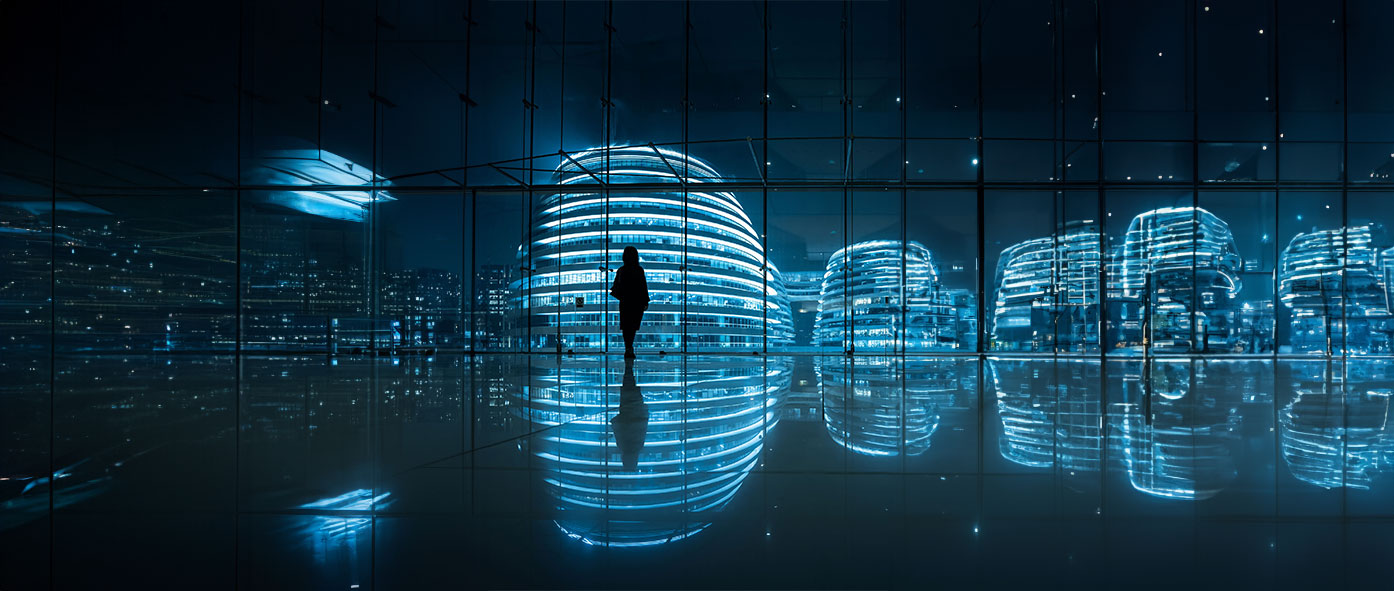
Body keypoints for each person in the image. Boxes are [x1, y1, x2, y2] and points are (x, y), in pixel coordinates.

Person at [609, 246, 649, 358]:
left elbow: (616, 287)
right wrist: (645, 301)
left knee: (626, 326)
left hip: (626, 302)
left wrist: (622, 296)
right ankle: (629, 348)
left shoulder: (622, 270)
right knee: (633, 326)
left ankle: (628, 348)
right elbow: (643, 286)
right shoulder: (639, 270)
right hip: (637, 302)